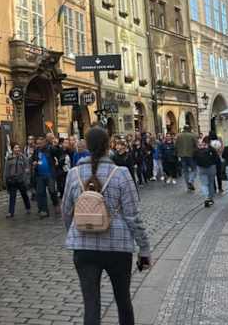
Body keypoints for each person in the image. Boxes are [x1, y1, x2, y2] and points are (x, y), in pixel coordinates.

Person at [62, 127, 151, 325]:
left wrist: (74, 233)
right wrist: (144, 248)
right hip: (117, 248)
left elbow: (66, 211)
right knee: (123, 300)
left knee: (91, 305)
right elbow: (133, 216)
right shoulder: (121, 173)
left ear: (86, 145)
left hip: (84, 249)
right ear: (108, 145)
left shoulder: (73, 174)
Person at [31, 136, 60, 218]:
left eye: (40, 143)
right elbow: (33, 159)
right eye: (37, 144)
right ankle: (44, 210)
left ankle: (56, 204)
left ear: (45, 142)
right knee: (40, 193)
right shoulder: (36, 150)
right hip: (40, 175)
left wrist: (56, 145)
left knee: (52, 191)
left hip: (50, 174)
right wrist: (34, 162)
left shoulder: (50, 148)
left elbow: (58, 153)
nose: (39, 145)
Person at [3, 143, 31, 218]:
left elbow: (27, 168)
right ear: (12, 149)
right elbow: (6, 170)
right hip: (12, 180)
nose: (17, 149)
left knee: (24, 195)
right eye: (15, 148)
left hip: (21, 179)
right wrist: (5, 179)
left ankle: (28, 207)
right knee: (12, 196)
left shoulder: (23, 157)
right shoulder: (9, 158)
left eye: (18, 147)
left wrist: (26, 179)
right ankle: (10, 212)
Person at [194, 137, 220, 207]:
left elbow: (194, 159)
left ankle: (206, 198)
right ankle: (210, 198)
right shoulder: (211, 149)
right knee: (211, 183)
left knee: (204, 184)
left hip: (201, 168)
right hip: (211, 168)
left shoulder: (196, 150)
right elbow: (216, 158)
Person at [175, 125, 199, 191]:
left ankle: (188, 185)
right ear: (189, 129)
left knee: (185, 171)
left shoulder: (178, 136)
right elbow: (196, 145)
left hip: (182, 156)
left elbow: (175, 145)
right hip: (191, 155)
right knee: (194, 169)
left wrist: (178, 153)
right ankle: (191, 181)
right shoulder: (192, 135)